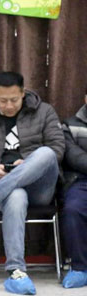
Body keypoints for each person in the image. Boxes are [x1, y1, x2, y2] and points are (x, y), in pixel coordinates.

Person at [0, 71, 64, 295]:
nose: (9, 105)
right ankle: (16, 272)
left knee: (46, 153)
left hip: (40, 186)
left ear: (23, 93)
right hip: (7, 191)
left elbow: (58, 149)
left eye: (14, 100)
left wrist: (26, 163)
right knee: (16, 194)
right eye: (3, 100)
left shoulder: (44, 112)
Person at [59, 86, 87, 288]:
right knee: (73, 209)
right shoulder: (69, 125)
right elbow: (73, 156)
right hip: (81, 180)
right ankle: (80, 267)